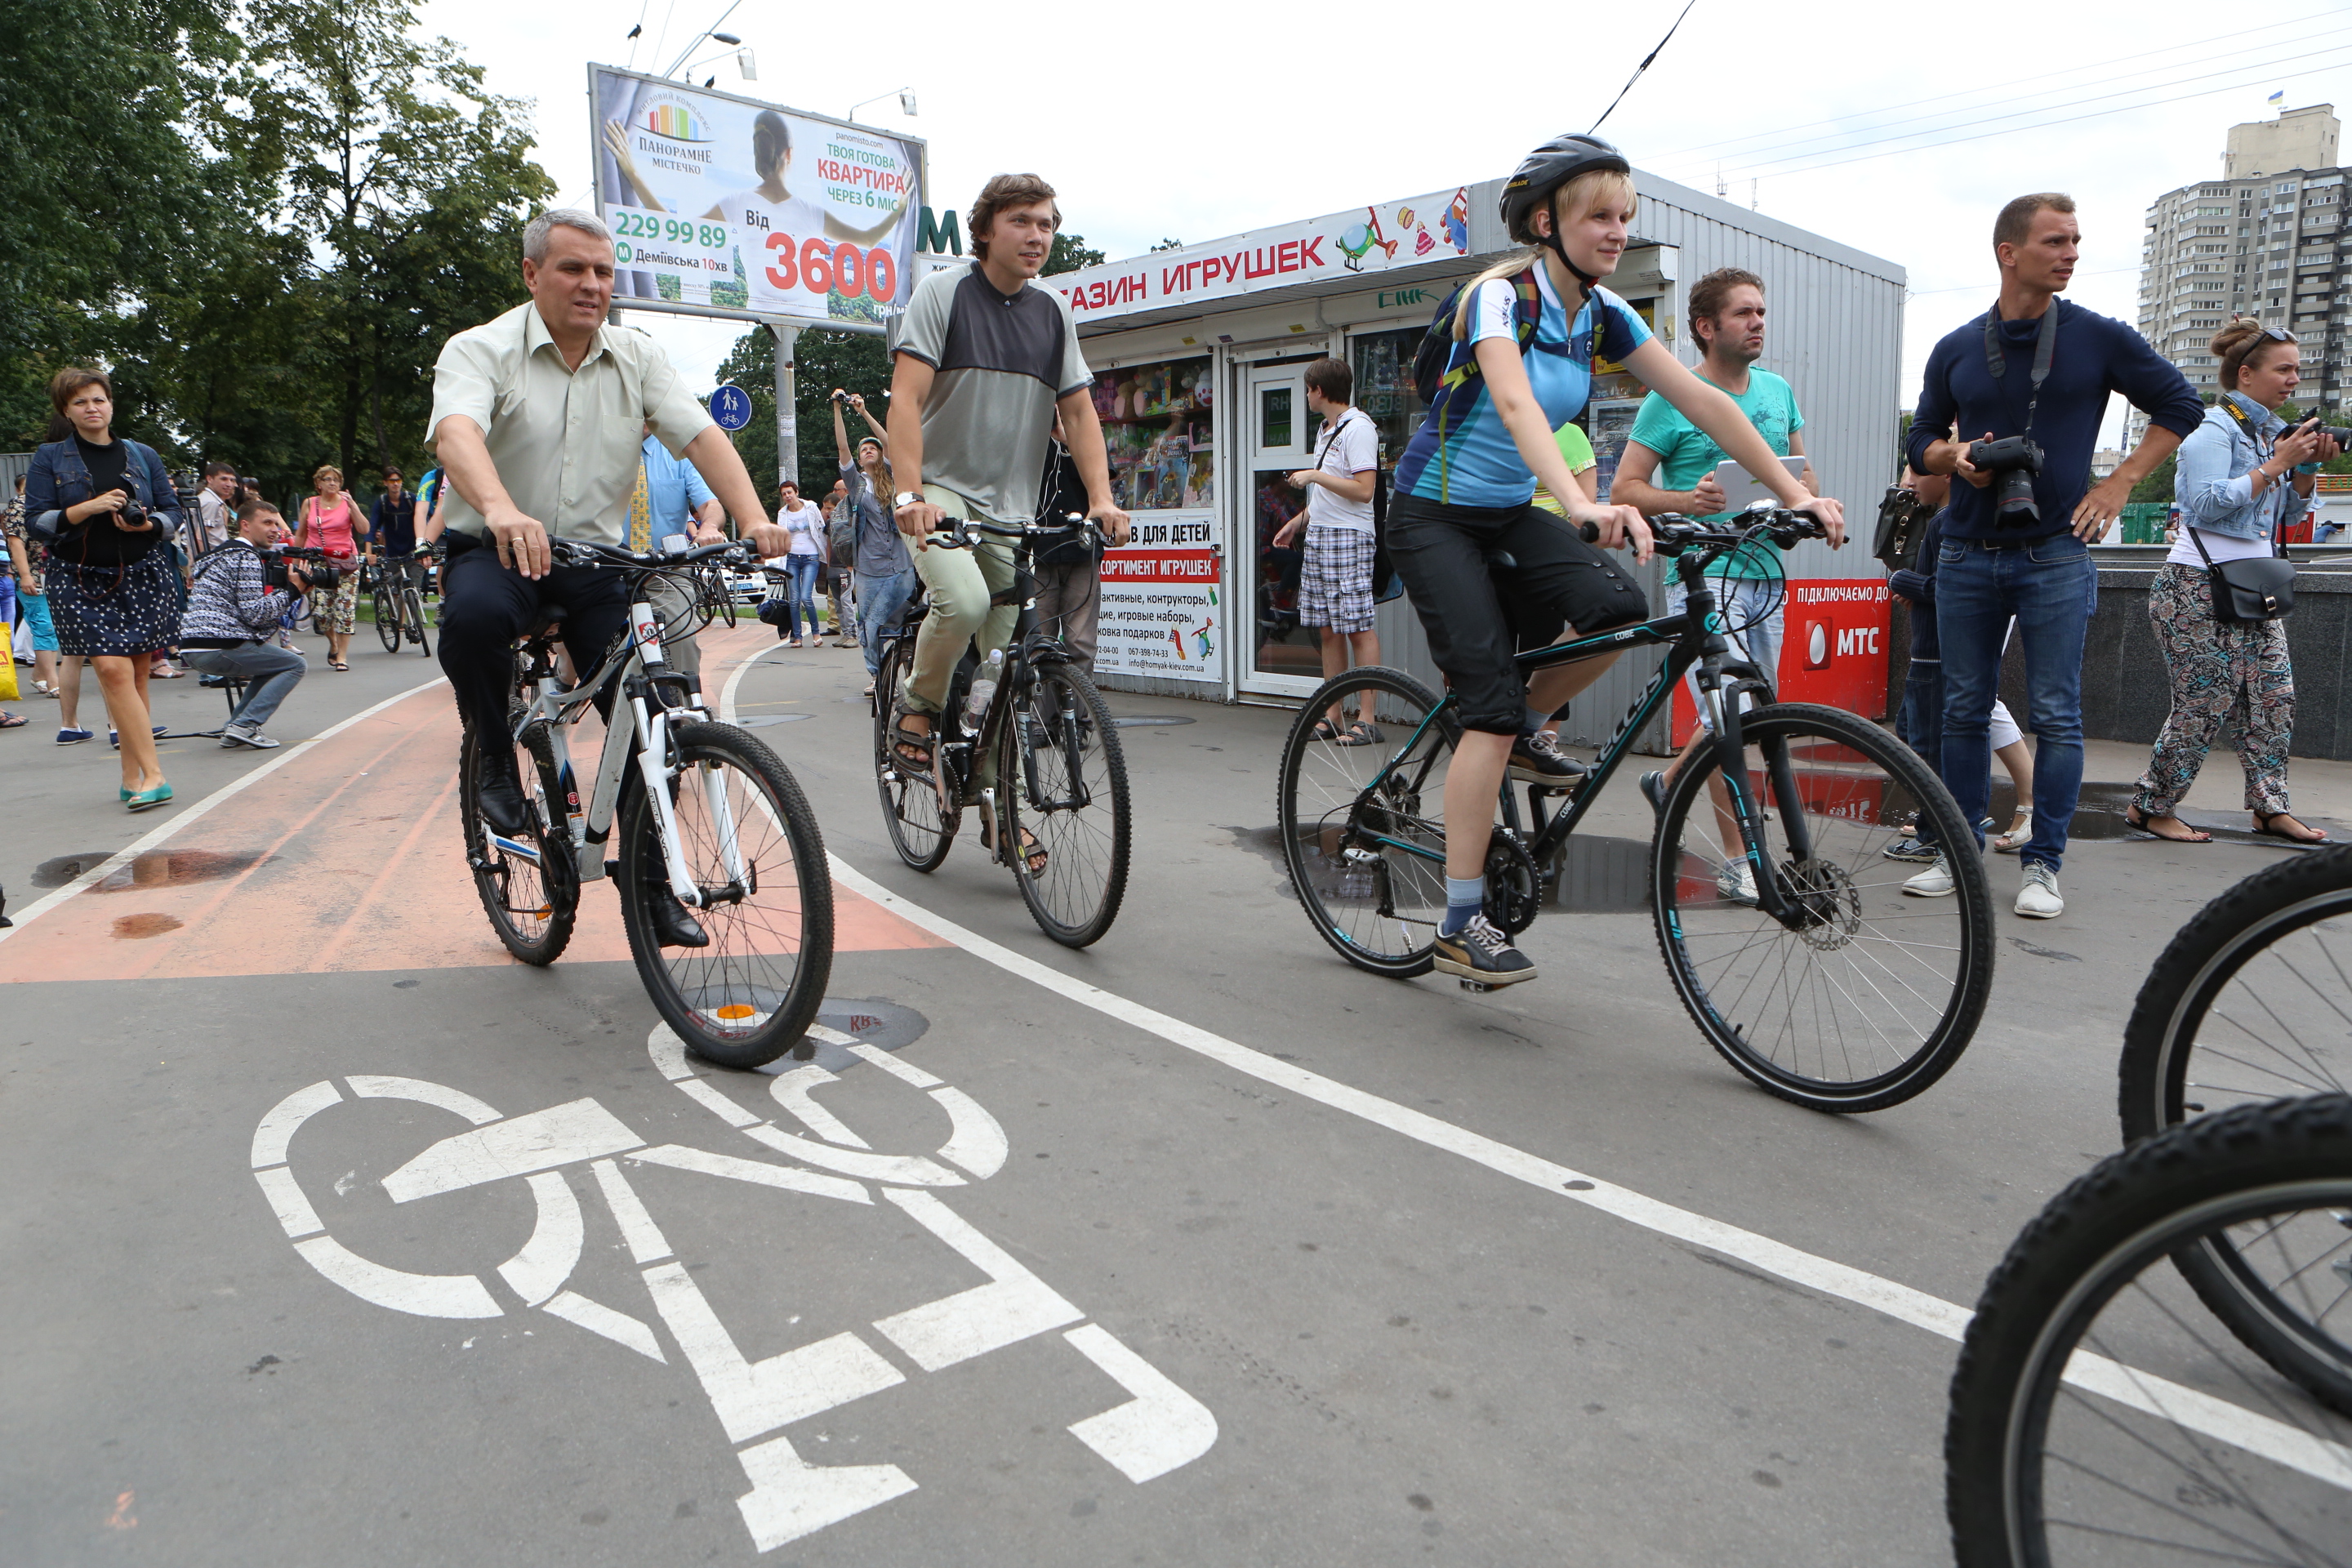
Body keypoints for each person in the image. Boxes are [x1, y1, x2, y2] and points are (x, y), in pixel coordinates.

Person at [1386, 134, 1845, 987]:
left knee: (1616, 613)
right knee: (1485, 707)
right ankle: (1459, 918)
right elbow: (1517, 402)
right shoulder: (1500, 298)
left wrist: (1792, 491)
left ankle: (1514, 726)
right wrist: (1585, 499)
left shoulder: (1603, 313)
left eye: (1625, 216)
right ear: (1542, 222)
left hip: (1508, 510)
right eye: (1599, 214)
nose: (1616, 230)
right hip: (1433, 515)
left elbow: (1703, 400)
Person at [426, 207, 787, 947]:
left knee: (651, 707)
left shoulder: (637, 355)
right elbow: (456, 431)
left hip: (593, 562)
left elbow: (700, 435)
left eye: (602, 271)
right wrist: (499, 509)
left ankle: (651, 887)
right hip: (496, 548)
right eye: (572, 269)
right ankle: (493, 750)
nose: (592, 285)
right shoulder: (480, 349)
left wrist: (752, 518)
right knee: (471, 623)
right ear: (532, 274)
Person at [1905, 192, 2205, 920]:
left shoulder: (2097, 337)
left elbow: (2182, 404)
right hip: (1966, 551)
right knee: (1963, 709)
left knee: (2058, 715)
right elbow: (1920, 444)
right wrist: (1957, 455)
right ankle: (1958, 851)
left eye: (2075, 241)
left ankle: (2044, 865)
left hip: (2057, 553)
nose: (2071, 252)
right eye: (2055, 241)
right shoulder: (1954, 347)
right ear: (2010, 253)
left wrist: (2118, 484)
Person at [884, 172, 1132, 870]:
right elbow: (905, 400)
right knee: (960, 602)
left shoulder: (1054, 313)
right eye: (1022, 221)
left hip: (1011, 507)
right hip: (941, 490)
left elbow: (1079, 411)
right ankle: (916, 707)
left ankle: (995, 814)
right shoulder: (944, 294)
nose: (1037, 236)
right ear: (987, 230)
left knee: (999, 673)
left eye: (1047, 224)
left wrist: (1103, 498)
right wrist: (908, 495)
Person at [1615, 268, 1814, 882]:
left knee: (1749, 714)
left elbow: (1803, 478)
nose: (1758, 322)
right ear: (1706, 327)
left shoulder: (1778, 392)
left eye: (1761, 311)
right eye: (1744, 313)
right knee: (1727, 715)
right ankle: (1738, 860)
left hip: (1764, 570)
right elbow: (1624, 490)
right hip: (1704, 572)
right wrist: (1685, 501)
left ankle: (1667, 783)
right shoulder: (1669, 397)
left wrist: (1806, 497)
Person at [2127, 320, 2340, 845]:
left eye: (2298, 369)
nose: (2295, 380)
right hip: (2195, 588)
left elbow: (2284, 512)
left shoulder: (2271, 434)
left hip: (2252, 585)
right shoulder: (2211, 430)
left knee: (2274, 696)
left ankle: (2270, 807)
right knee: (2206, 700)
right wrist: (2276, 465)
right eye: (2284, 369)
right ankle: (2151, 807)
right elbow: (2203, 504)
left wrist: (2305, 470)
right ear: (2246, 374)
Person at [23, 367, 183, 808]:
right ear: (66, 411)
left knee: (136, 675)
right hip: (77, 578)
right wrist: (84, 508)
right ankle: (156, 775)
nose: (91, 408)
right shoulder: (49, 457)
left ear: (111, 404)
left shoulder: (142, 453)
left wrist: (149, 524)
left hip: (141, 573)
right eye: (80, 402)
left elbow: (174, 512)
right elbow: (35, 522)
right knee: (112, 670)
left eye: (98, 399)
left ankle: (132, 776)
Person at [1885, 469, 2038, 860]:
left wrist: (1905, 582)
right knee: (1920, 730)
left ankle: (1940, 827)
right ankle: (1949, 816)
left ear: (1947, 475)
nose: (1908, 486)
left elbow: (1953, 587)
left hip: (1938, 651)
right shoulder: (1952, 519)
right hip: (1934, 650)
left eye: (1915, 474)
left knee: (1934, 742)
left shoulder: (1946, 522)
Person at [1271, 358, 1383, 743]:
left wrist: (1316, 475)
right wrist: (1297, 522)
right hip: (1320, 536)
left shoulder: (1358, 429)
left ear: (1320, 391)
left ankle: (1367, 719)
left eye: (1307, 389)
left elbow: (1364, 490)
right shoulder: (1326, 430)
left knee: (1357, 627)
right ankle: (1334, 714)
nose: (1306, 395)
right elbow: (1329, 496)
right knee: (1328, 628)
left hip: (1349, 538)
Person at [604, 110, 907, 247]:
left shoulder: (737, 203)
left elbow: (678, 229)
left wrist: (632, 172)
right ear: (789, 154)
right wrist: (899, 208)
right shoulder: (812, 213)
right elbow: (869, 238)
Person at [178, 496, 311, 748]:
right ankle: (246, 725)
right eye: (267, 523)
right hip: (219, 644)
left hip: (192, 646)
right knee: (295, 664)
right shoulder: (246, 556)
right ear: (245, 525)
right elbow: (255, 614)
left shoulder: (220, 554)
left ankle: (236, 727)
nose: (275, 530)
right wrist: (294, 591)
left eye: (276, 524)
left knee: (273, 665)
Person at [835, 392, 911, 696]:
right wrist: (838, 409)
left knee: (882, 622)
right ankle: (878, 676)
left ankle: (896, 673)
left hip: (900, 567)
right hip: (867, 569)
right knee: (869, 625)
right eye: (863, 449)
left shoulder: (893, 478)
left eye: (872, 449)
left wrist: (864, 412)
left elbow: (892, 442)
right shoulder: (856, 484)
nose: (868, 451)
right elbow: (842, 447)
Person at [296, 465, 366, 670]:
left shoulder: (347, 503)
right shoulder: (309, 503)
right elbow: (300, 533)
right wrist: (295, 562)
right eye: (327, 479)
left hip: (345, 562)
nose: (332, 483)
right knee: (322, 613)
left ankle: (342, 657)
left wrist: (353, 506)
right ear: (318, 484)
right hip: (317, 562)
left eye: (336, 479)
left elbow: (364, 529)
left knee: (345, 609)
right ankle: (333, 643)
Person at [773, 479, 826, 647]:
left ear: (796, 492)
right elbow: (780, 535)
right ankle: (797, 636)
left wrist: (826, 553)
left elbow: (821, 527)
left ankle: (816, 633)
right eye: (784, 494)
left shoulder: (811, 507)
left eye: (790, 492)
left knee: (806, 597)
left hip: (811, 556)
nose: (787, 496)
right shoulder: (783, 513)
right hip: (792, 558)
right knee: (794, 599)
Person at [369, 466, 425, 597]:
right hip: (393, 554)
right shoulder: (382, 503)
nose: (395, 484)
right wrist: (368, 552)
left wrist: (423, 545)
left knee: (414, 590)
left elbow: (424, 520)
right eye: (392, 481)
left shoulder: (410, 499)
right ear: (385, 483)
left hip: (413, 552)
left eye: (398, 480)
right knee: (396, 593)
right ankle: (398, 617)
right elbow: (372, 527)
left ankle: (415, 617)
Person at [822, 477, 858, 646]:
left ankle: (852, 634)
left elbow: (853, 542)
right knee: (837, 602)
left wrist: (850, 565)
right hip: (834, 568)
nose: (826, 511)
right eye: (825, 508)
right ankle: (845, 632)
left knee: (846, 601)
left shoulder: (848, 520)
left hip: (845, 567)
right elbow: (828, 544)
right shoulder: (829, 523)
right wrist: (829, 564)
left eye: (829, 508)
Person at [195, 462, 237, 553]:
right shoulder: (211, 502)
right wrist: (204, 562)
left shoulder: (209, 499)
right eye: (224, 479)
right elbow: (199, 538)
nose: (229, 484)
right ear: (210, 479)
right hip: (212, 557)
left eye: (232, 480)